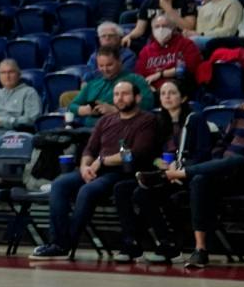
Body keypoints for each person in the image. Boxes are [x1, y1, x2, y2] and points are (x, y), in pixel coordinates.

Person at [31, 77, 165, 261]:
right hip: (94, 169)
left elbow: (135, 154)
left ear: (137, 98)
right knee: (59, 184)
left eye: (125, 94)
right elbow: (90, 149)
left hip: (122, 172)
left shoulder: (147, 120)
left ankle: (65, 244)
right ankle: (57, 242)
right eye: (116, 94)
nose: (119, 98)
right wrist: (86, 166)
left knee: (88, 190)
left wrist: (102, 161)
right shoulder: (106, 120)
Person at [131, 77, 210, 264]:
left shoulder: (195, 119)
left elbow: (204, 154)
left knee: (173, 197)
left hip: (188, 174)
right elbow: (152, 153)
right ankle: (167, 242)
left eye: (172, 93)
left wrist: (182, 168)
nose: (167, 97)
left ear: (183, 98)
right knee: (139, 193)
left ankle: (181, 242)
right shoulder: (158, 121)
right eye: (163, 93)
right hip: (166, 174)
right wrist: (161, 164)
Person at [169, 103, 244, 271]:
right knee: (199, 180)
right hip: (226, 172)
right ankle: (200, 249)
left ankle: (181, 173)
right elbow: (223, 141)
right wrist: (218, 159)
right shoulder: (240, 111)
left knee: (239, 159)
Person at [73, 48, 155, 117]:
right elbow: (72, 106)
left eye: (109, 65)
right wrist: (82, 110)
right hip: (86, 129)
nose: (105, 69)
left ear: (119, 62)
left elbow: (148, 102)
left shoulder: (136, 79)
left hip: (119, 127)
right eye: (101, 66)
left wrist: (116, 109)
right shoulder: (93, 84)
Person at [0, 60, 42, 131]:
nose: (7, 76)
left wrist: (0, 121)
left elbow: (32, 119)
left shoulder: (29, 92)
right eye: (3, 73)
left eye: (11, 72)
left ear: (19, 74)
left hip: (13, 134)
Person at [134, 18, 199, 84]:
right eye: (157, 27)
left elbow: (190, 68)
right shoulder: (145, 51)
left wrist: (161, 74)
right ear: (152, 30)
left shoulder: (186, 44)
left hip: (178, 85)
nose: (161, 29)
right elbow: (140, 76)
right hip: (152, 88)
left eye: (165, 26)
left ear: (173, 29)